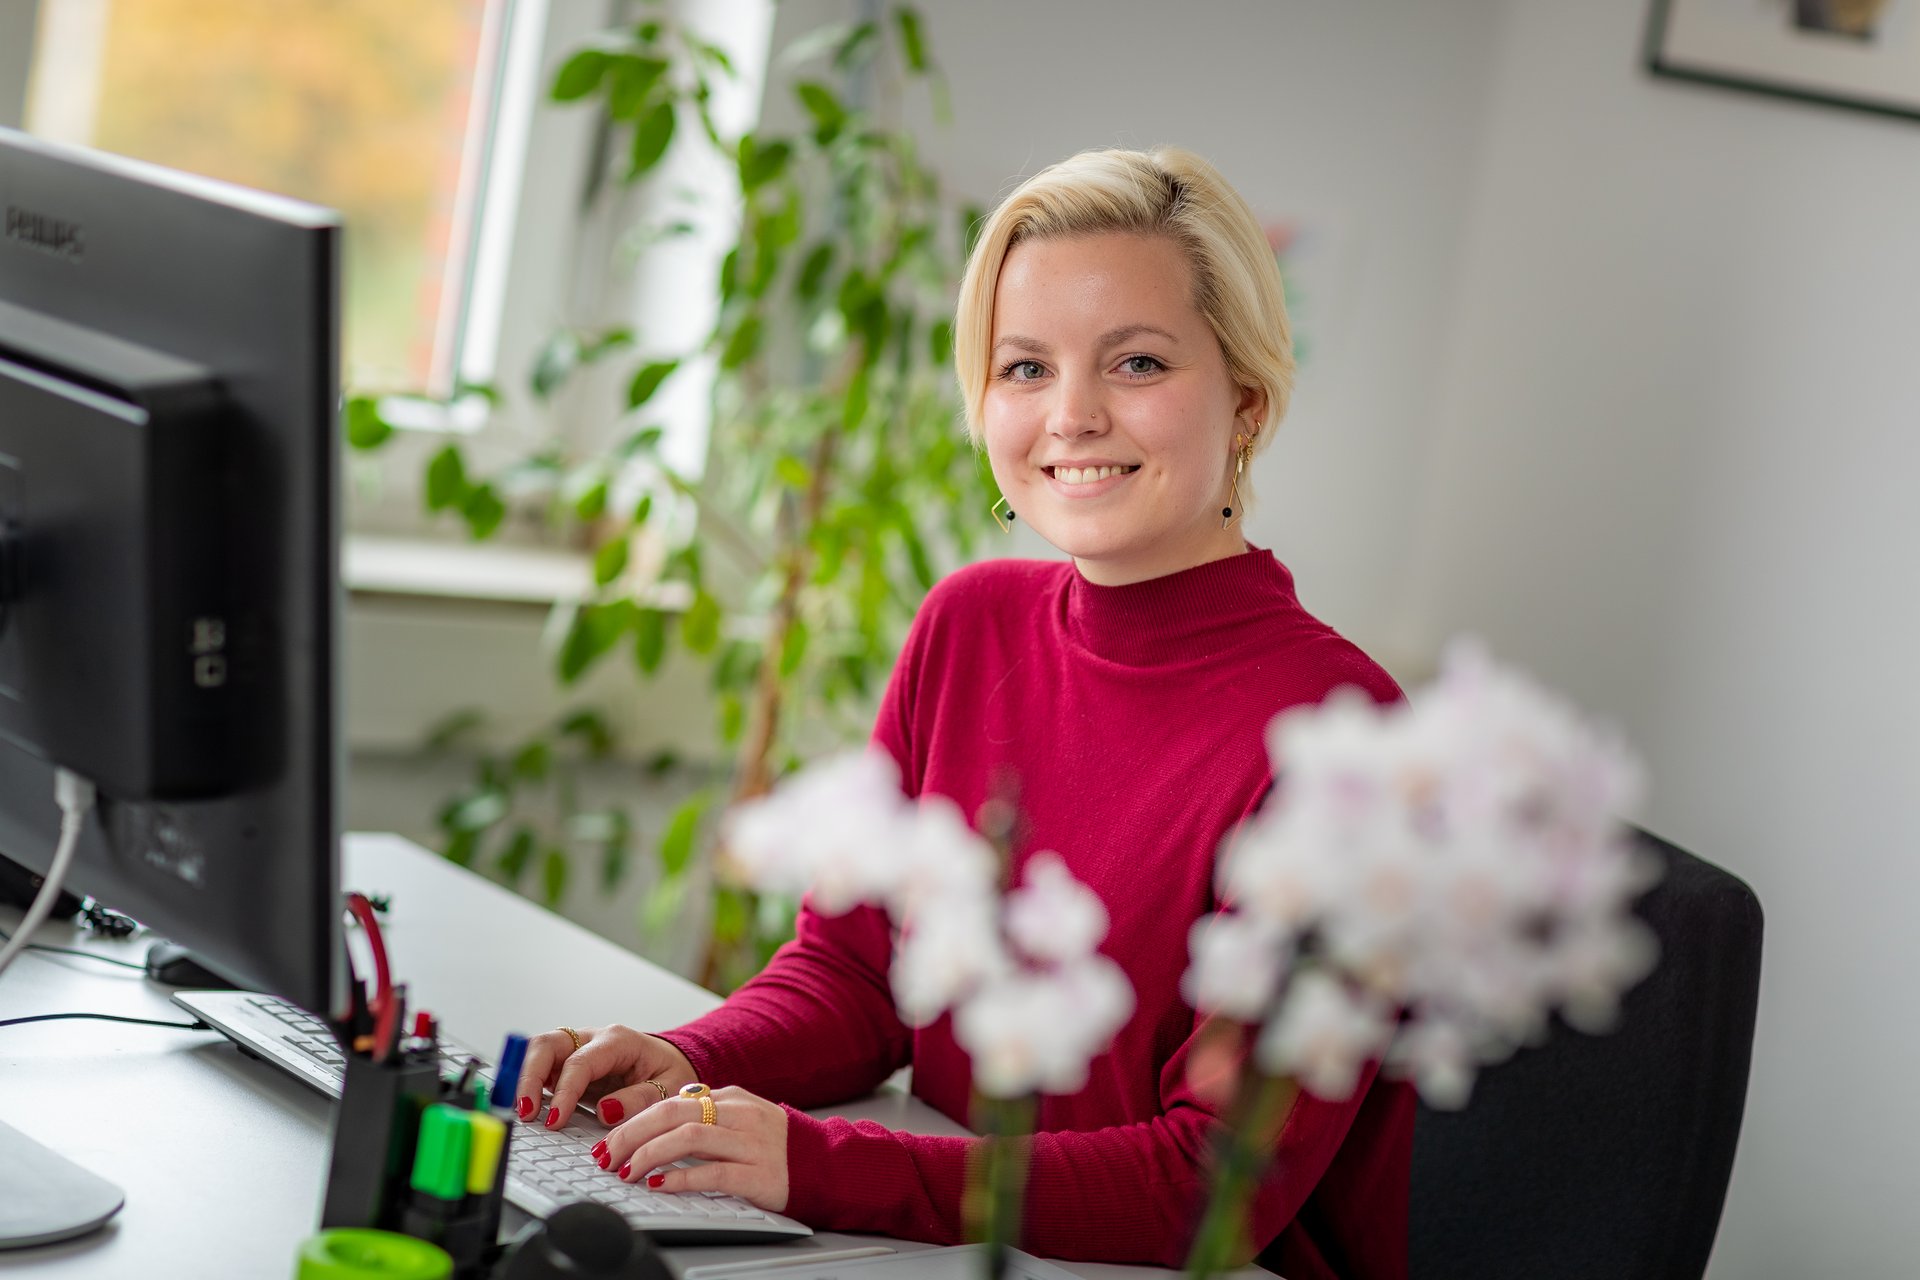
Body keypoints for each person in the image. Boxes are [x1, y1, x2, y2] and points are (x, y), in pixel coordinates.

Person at [513, 146, 1410, 1278]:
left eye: (1135, 361)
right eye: (1024, 366)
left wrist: (825, 1162)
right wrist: (676, 1060)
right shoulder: (970, 623)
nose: (1071, 415)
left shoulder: (1346, 741)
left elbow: (1210, 1183)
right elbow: (854, 978)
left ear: (1246, 399)